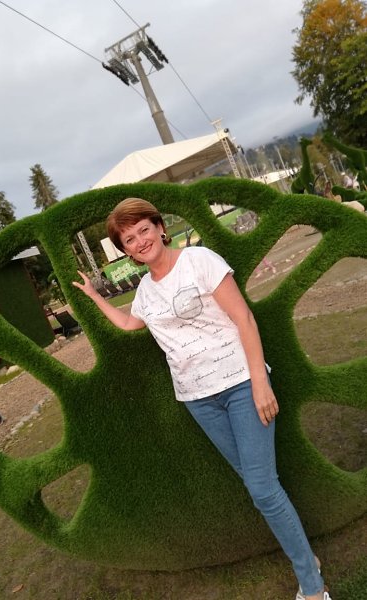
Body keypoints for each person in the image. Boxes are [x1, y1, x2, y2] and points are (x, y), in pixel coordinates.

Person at [72, 198, 331, 600]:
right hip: (199, 400)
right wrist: (95, 296)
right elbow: (129, 323)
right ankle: (307, 559)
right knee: (258, 486)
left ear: (160, 227)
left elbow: (244, 318)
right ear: (125, 251)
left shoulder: (199, 260)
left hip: (242, 386)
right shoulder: (145, 291)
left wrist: (259, 382)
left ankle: (312, 586)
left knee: (263, 490)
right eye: (129, 239)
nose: (140, 241)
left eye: (143, 230)